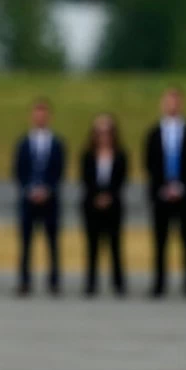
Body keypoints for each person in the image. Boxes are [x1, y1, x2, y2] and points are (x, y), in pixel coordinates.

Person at [144, 86, 186, 298]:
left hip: (185, 193)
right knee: (160, 241)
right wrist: (164, 186)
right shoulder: (154, 132)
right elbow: (149, 162)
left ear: (182, 104)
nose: (173, 105)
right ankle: (159, 283)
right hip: (161, 193)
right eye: (169, 100)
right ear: (163, 103)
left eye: (176, 101)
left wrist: (181, 186)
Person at [13, 98, 66, 296]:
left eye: (44, 114)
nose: (40, 117)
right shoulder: (23, 143)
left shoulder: (57, 143)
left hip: (50, 200)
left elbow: (59, 171)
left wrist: (47, 190)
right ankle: (24, 281)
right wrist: (30, 190)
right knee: (26, 242)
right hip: (28, 200)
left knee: (52, 242)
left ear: (49, 117)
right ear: (32, 116)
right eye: (37, 113)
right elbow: (18, 171)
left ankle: (54, 281)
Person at [80, 112, 128, 296]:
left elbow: (121, 179)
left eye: (107, 131)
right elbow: (86, 179)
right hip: (92, 205)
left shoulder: (120, 155)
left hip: (113, 205)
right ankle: (91, 284)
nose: (104, 135)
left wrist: (109, 196)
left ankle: (118, 284)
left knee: (115, 245)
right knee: (92, 245)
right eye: (100, 131)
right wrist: (97, 196)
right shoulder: (88, 155)